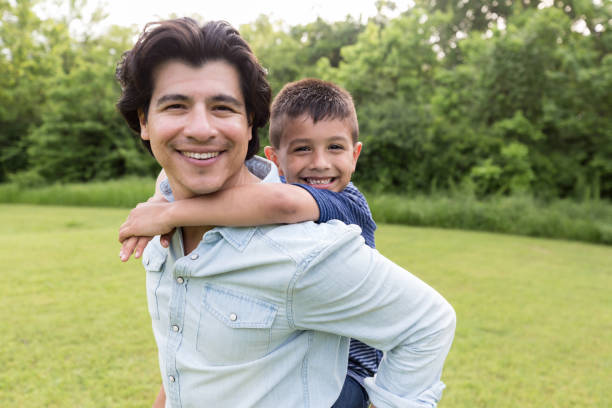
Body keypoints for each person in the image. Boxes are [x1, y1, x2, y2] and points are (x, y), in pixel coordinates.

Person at [115, 17, 455, 408]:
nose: (200, 128)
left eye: (222, 108)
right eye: (176, 105)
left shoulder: (299, 249)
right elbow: (185, 359)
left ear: (250, 126)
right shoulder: (159, 210)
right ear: (144, 120)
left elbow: (428, 324)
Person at [120, 78, 380, 407]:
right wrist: (161, 196)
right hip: (290, 345)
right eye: (303, 148)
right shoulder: (276, 184)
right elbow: (180, 172)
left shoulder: (347, 203)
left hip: (349, 370)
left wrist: (170, 213)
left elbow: (281, 204)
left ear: (355, 155)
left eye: (335, 147)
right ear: (276, 158)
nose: (320, 163)